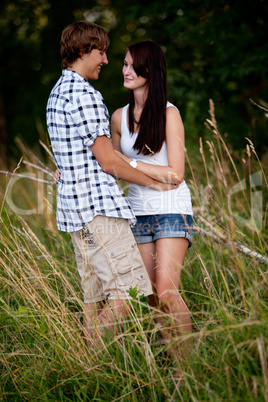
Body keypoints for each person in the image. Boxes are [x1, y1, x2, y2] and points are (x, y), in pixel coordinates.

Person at [46, 21, 177, 344]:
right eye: (101, 52)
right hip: (98, 210)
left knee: (95, 299)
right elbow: (108, 161)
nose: (105, 60)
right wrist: (153, 181)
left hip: (76, 213)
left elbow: (75, 155)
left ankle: (87, 368)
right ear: (82, 51)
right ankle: (85, 360)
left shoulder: (56, 94)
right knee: (128, 292)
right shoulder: (85, 95)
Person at [111, 40, 193, 359]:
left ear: (150, 70)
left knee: (168, 291)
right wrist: (69, 171)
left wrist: (129, 163)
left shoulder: (169, 114)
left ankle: (189, 371)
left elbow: (176, 174)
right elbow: (110, 165)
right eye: (124, 63)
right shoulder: (119, 117)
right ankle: (175, 365)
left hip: (172, 210)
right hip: (137, 214)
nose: (126, 70)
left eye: (133, 65)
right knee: (151, 297)